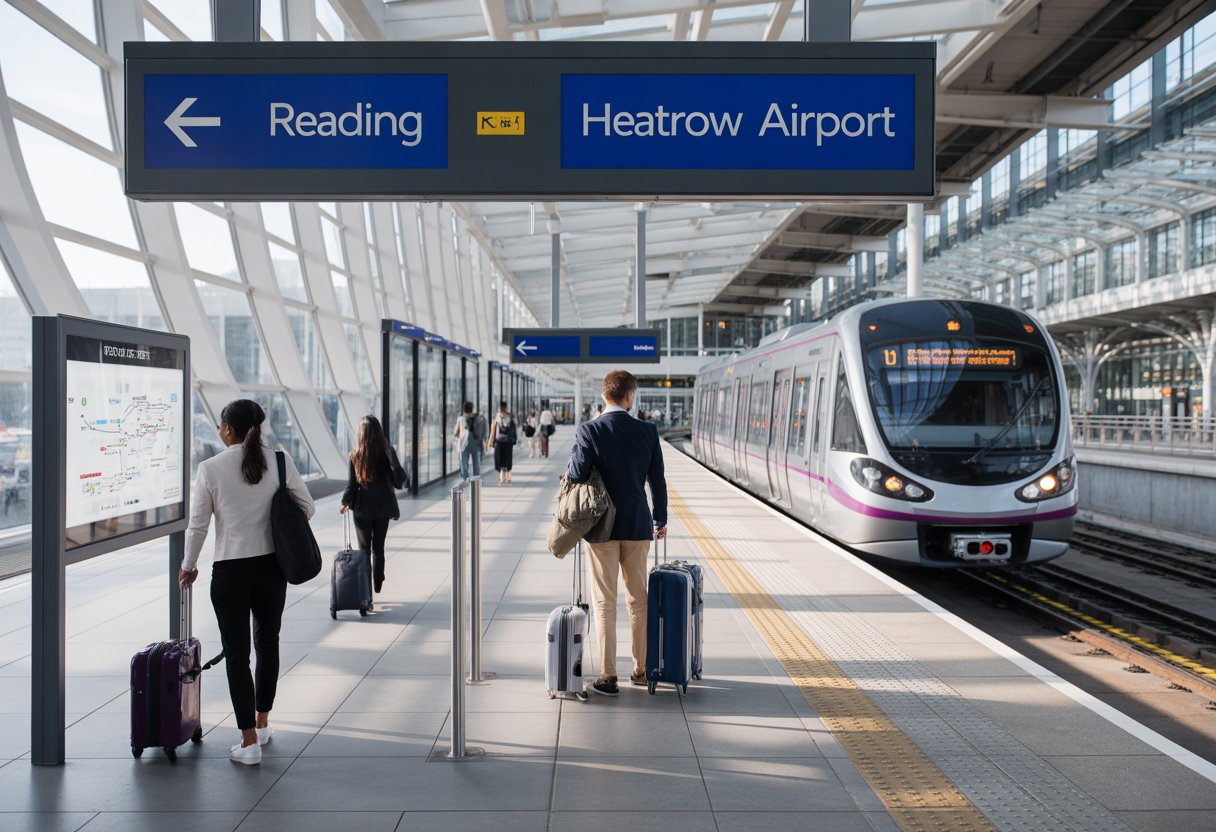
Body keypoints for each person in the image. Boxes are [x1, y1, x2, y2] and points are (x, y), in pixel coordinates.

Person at [178, 399, 315, 766]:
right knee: (268, 644)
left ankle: (248, 741)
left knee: (237, 655)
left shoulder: (210, 468)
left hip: (230, 571)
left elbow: (198, 526)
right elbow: (308, 507)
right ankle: (263, 723)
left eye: (221, 426)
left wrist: (188, 565)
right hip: (272, 568)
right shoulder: (279, 461)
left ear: (227, 428)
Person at [565, 370, 667, 697]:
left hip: (601, 528)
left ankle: (608, 676)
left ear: (604, 396)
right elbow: (658, 482)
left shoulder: (590, 430)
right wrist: (660, 518)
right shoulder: (648, 432)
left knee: (604, 602)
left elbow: (578, 474)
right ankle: (641, 671)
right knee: (639, 601)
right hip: (637, 525)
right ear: (629, 397)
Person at [340, 415, 407, 594]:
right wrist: (392, 458)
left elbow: (351, 484)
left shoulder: (355, 455)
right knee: (379, 548)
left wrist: (346, 502)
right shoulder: (387, 452)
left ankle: (366, 590)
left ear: (361, 434)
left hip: (362, 509)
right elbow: (399, 480)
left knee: (364, 550)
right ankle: (377, 582)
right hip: (383, 507)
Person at [453, 401, 487, 479]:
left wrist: (459, 435)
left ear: (463, 409)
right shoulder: (478, 418)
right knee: (476, 464)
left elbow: (456, 432)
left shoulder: (461, 418)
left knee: (464, 464)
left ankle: (465, 480)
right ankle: (476, 481)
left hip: (463, 444)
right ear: (472, 408)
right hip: (476, 444)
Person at [490, 401, 517, 484]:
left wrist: (491, 440)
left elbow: (493, 429)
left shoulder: (498, 417)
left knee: (502, 459)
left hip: (501, 441)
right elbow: (513, 429)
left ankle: (504, 478)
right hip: (505, 441)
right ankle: (505, 478)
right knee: (505, 459)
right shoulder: (509, 417)